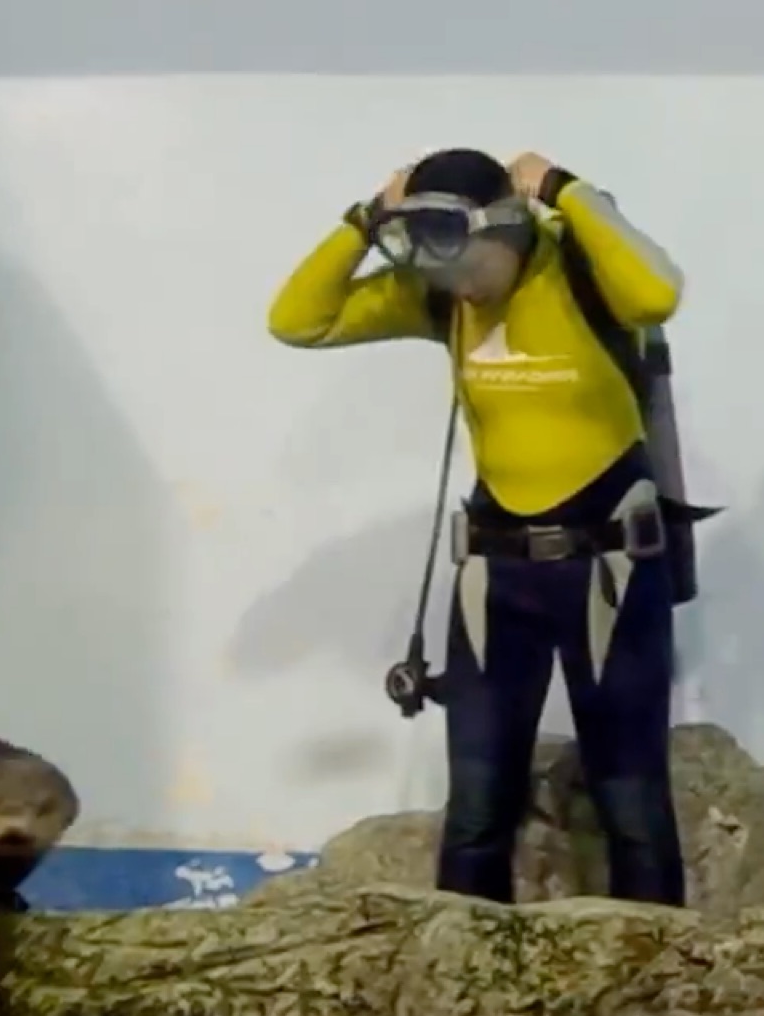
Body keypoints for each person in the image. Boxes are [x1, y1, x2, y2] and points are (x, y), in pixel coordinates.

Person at [268, 147, 691, 907]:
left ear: (510, 228)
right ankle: (457, 981)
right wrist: (364, 220)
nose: (458, 283)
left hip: (611, 571)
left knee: (631, 799)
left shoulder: (581, 275)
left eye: (466, 259)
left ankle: (656, 993)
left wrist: (566, 190)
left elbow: (657, 295)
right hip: (496, 578)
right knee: (475, 808)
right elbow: (296, 321)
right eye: (435, 265)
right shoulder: (441, 296)